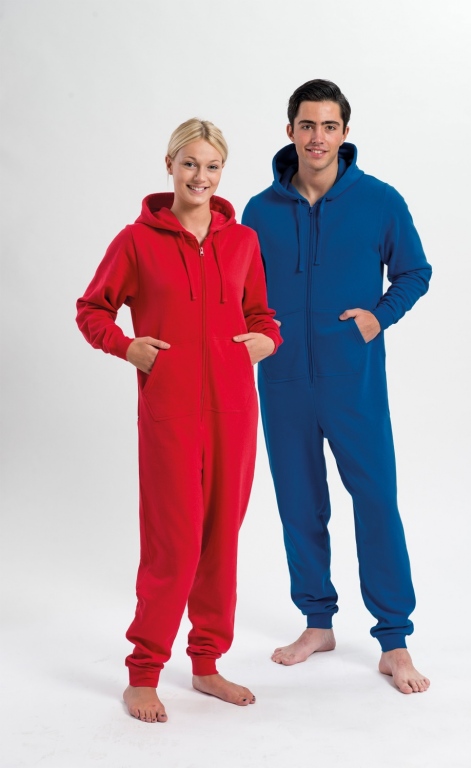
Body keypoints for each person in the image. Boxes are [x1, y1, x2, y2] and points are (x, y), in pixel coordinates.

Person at [76, 118, 282, 722]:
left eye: (212, 166)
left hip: (234, 410)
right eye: (190, 163)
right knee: (175, 542)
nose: (200, 176)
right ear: (170, 165)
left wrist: (267, 339)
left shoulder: (242, 241)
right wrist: (127, 347)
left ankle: (207, 664)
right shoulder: (135, 242)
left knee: (221, 539)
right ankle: (143, 673)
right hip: (169, 412)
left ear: (222, 172)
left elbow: (261, 312)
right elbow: (92, 309)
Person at [242, 79, 432, 694]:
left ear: (345, 133)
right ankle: (317, 623)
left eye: (329, 126)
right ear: (290, 131)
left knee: (375, 500)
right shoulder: (259, 211)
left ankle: (394, 640)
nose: (317, 137)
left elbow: (414, 271)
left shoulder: (379, 201)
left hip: (353, 380)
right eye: (307, 125)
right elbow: (242, 294)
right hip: (282, 381)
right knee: (300, 504)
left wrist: (379, 316)